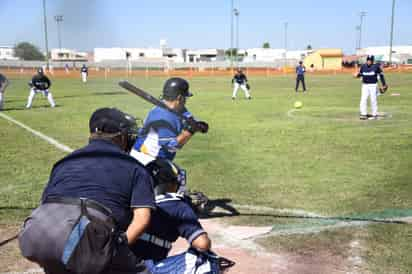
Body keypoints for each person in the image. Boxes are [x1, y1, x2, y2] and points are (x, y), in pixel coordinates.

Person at [18, 107, 155, 274]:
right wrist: (117, 245)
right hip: (85, 238)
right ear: (121, 137)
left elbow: (46, 201)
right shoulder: (135, 167)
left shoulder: (64, 162)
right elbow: (142, 218)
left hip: (35, 234)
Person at [131, 158, 233, 274]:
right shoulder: (177, 205)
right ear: (167, 184)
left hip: (115, 262)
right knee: (208, 260)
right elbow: (202, 244)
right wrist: (188, 212)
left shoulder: (133, 200)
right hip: (142, 269)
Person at [131, 77, 208, 163]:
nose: (186, 100)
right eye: (185, 97)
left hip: (157, 159)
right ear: (179, 98)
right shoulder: (163, 115)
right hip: (145, 159)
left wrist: (198, 124)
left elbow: (187, 117)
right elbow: (171, 146)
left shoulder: (177, 108)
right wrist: (189, 131)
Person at [354, 55, 388, 120]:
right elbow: (361, 74)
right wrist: (356, 75)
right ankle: (363, 114)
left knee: (373, 99)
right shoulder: (363, 66)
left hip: (373, 85)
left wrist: (384, 84)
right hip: (365, 85)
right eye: (368, 60)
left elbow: (381, 76)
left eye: (370, 60)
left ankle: (374, 114)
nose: (369, 61)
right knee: (363, 99)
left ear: (372, 61)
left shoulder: (376, 67)